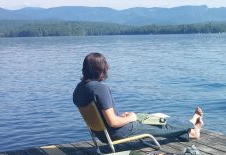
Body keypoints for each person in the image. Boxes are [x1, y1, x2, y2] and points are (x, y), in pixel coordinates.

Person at [73, 53, 203, 143]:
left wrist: (123, 117)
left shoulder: (79, 89)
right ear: (101, 69)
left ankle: (192, 133)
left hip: (101, 135)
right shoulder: (100, 89)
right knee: (159, 124)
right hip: (117, 133)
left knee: (153, 118)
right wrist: (131, 118)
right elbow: (112, 122)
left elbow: (106, 119)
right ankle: (191, 123)